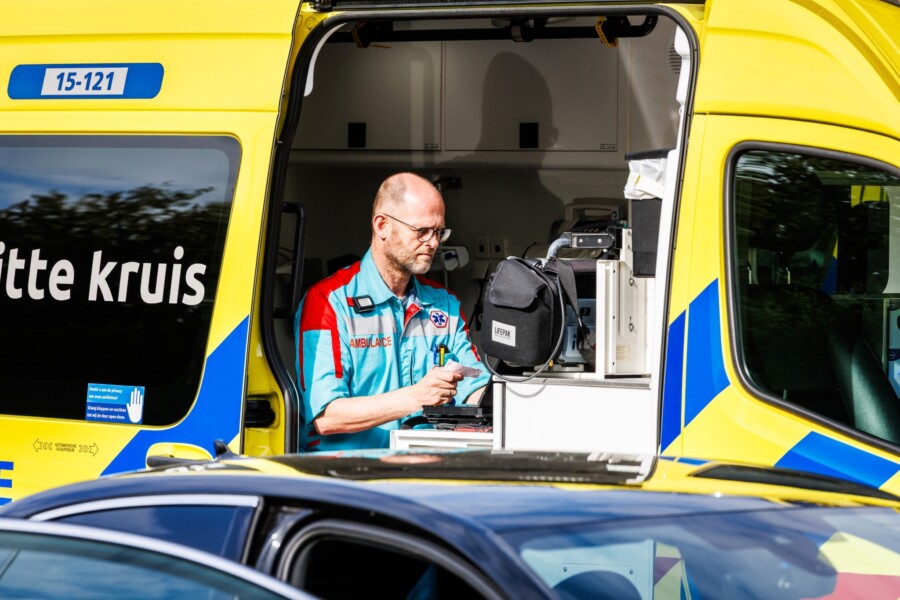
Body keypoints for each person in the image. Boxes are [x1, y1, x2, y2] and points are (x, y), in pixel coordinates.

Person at [295, 172, 490, 451]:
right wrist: (416, 397)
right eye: (422, 231)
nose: (434, 242)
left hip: (426, 468)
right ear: (382, 226)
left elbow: (476, 386)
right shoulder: (329, 301)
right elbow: (327, 416)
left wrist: (505, 398)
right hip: (351, 472)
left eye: (439, 232)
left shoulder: (444, 304)